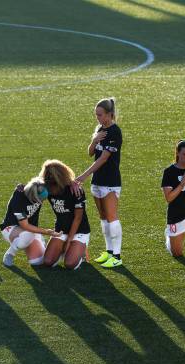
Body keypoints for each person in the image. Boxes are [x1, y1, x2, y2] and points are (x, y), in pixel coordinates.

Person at [75, 97, 123, 268]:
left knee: (111, 217)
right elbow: (90, 152)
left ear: (110, 114)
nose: (98, 118)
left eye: (100, 115)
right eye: (96, 115)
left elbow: (103, 158)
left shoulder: (115, 132)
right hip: (98, 181)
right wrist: (95, 139)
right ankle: (108, 252)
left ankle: (117, 256)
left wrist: (83, 176)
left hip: (110, 180)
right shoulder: (99, 129)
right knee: (103, 218)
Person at [0, 177, 62, 267]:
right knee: (26, 236)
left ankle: (40, 240)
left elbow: (53, 177)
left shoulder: (40, 187)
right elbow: (24, 225)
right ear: (32, 195)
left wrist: (74, 184)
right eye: (40, 199)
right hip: (11, 227)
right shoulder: (19, 197)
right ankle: (10, 253)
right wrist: (46, 232)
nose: (41, 202)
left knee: (37, 261)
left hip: (31, 230)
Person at [41, 160, 91, 270]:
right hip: (61, 229)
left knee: (69, 264)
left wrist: (68, 240)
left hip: (79, 231)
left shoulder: (76, 191)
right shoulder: (46, 187)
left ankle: (80, 252)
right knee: (48, 262)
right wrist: (21, 188)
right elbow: (31, 188)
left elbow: (78, 218)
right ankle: (64, 251)